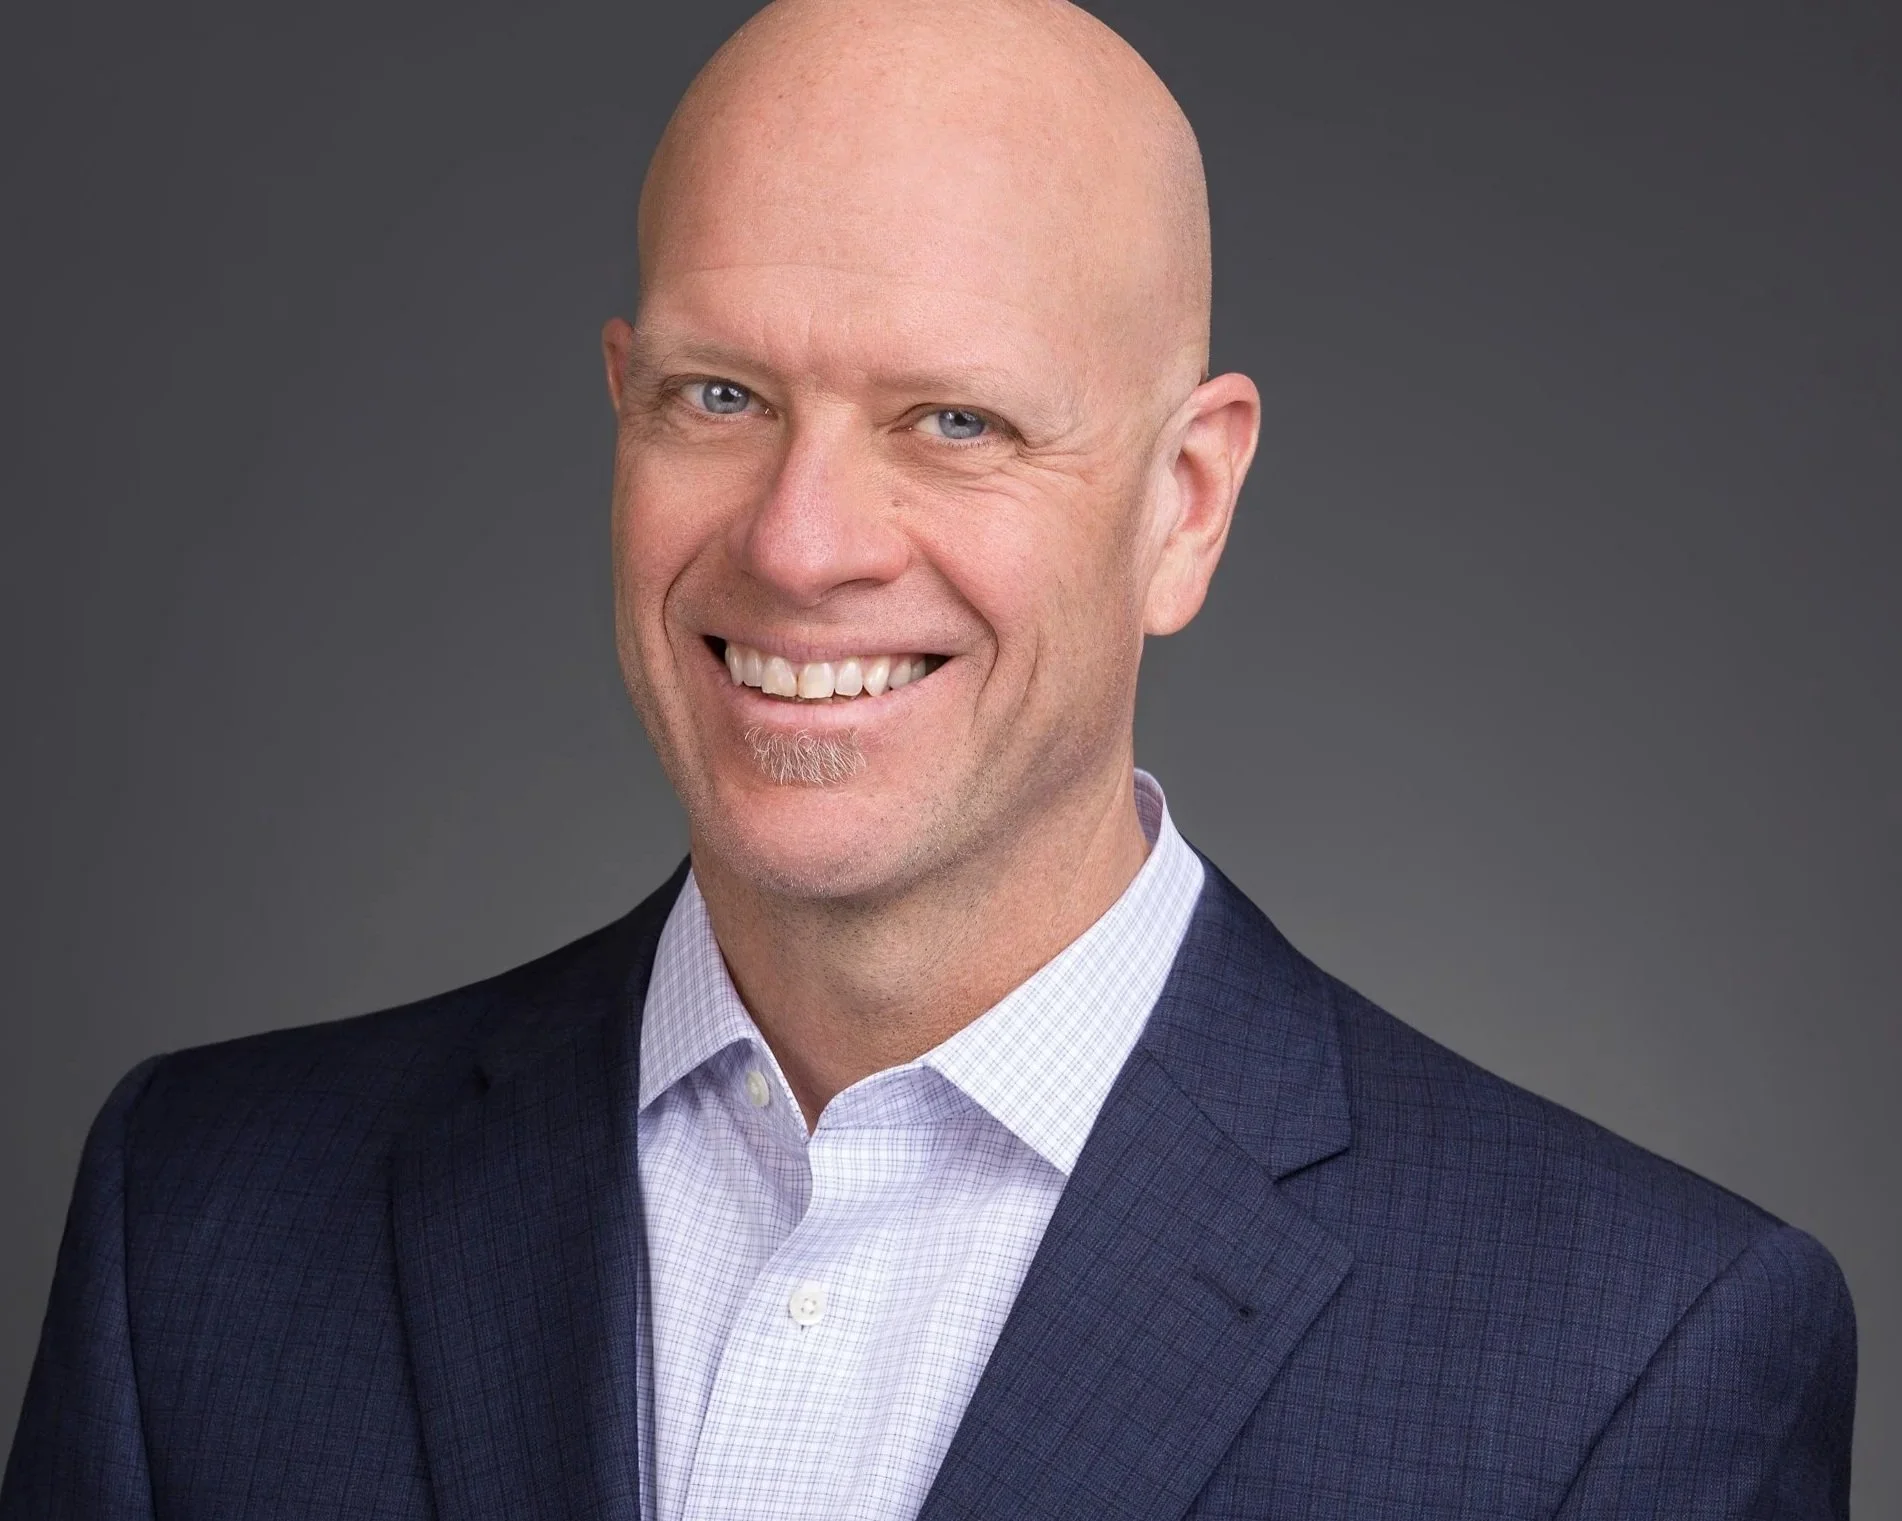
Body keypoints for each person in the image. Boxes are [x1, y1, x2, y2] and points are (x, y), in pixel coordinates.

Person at [2, 0, 1857, 1516]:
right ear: (619, 409)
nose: (803, 543)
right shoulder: (205, 1222)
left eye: (953, 420)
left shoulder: (1627, 1360)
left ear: (1183, 505)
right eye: (718, 397)